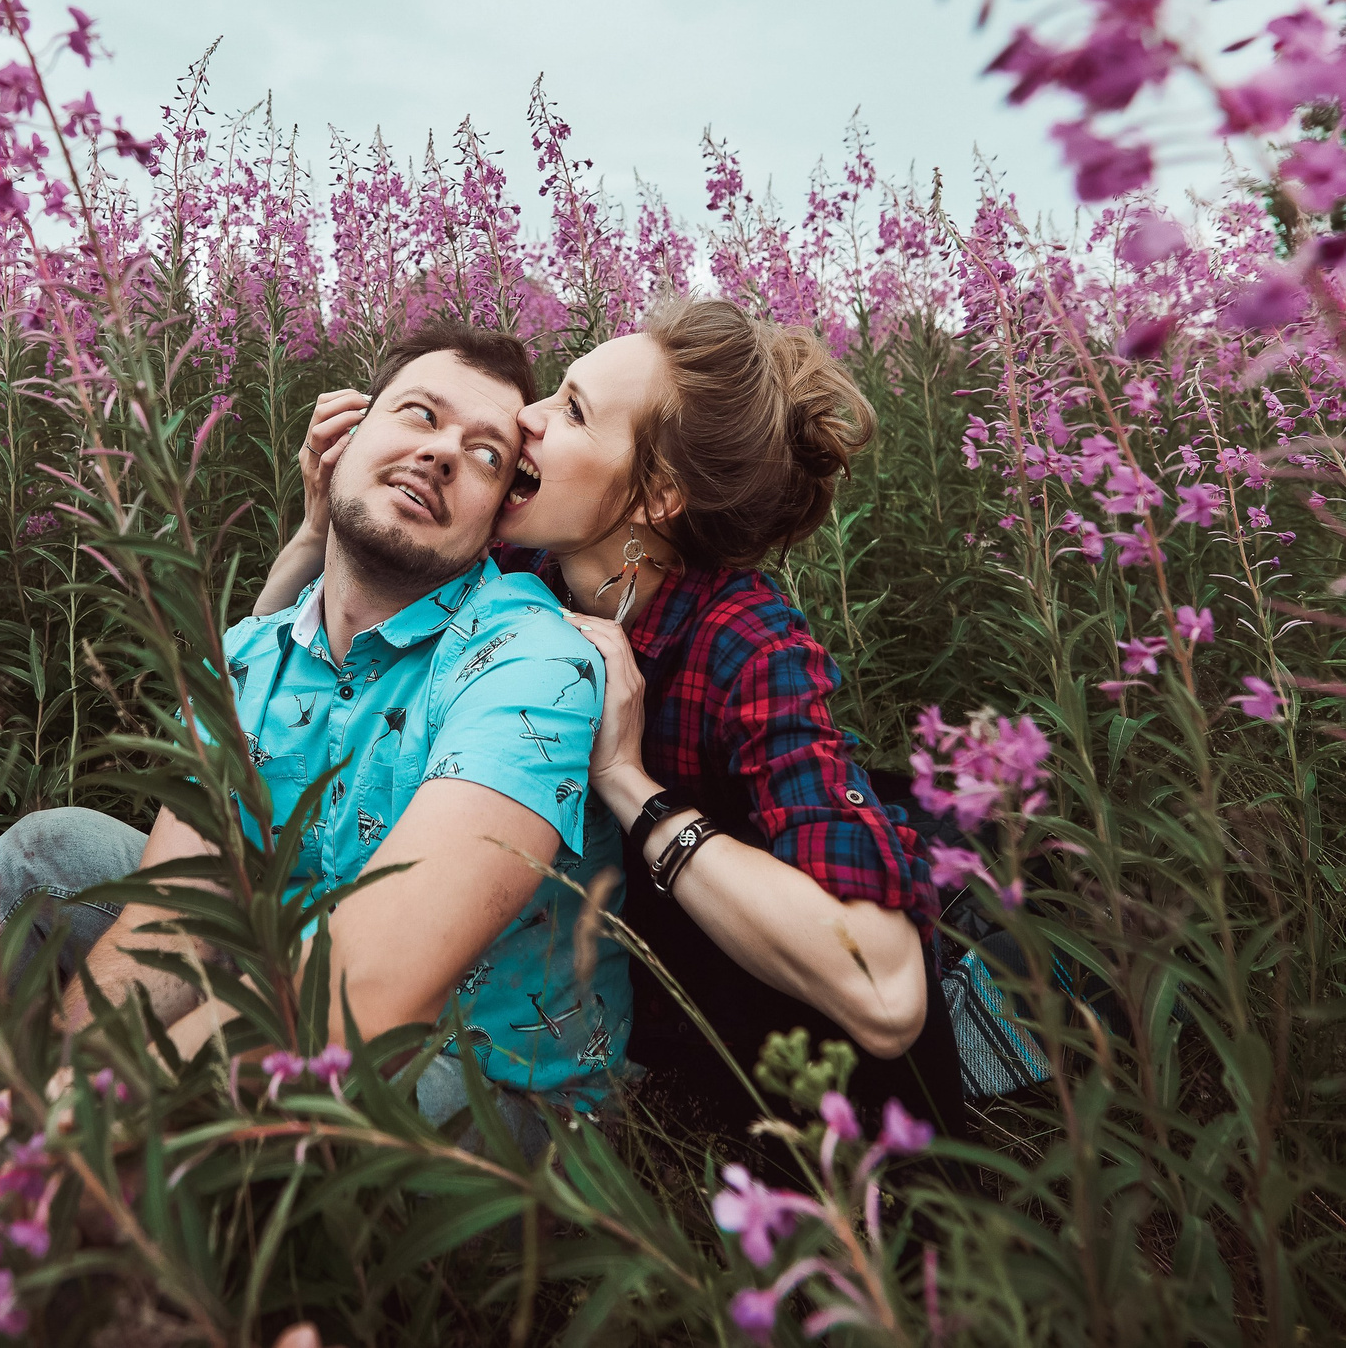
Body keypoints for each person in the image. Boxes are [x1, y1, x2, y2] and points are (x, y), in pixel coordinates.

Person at [255, 297, 968, 1147]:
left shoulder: (747, 644)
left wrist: (632, 784)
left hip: (766, 1074)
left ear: (657, 495)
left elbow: (888, 991)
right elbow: (271, 688)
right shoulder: (522, 562)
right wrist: (319, 528)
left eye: (573, 410)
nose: (527, 417)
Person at [0, 321, 632, 1145]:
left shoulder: (532, 658)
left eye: (487, 455)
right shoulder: (254, 652)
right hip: (295, 972)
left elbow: (363, 993)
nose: (442, 453)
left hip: (487, 1082)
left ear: (497, 523)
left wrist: (63, 1132)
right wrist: (64, 1090)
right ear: (339, 442)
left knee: (295, 1078)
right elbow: (172, 917)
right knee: (43, 854)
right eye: (420, 414)